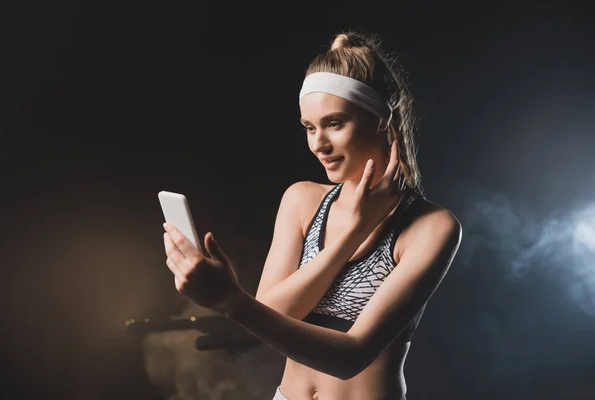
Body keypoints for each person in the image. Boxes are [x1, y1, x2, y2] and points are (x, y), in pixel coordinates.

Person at [162, 30, 462, 400]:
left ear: (382, 118)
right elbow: (270, 315)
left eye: (335, 123)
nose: (318, 144)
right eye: (309, 128)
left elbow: (352, 355)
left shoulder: (432, 228)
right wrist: (349, 237)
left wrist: (232, 300)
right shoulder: (302, 200)